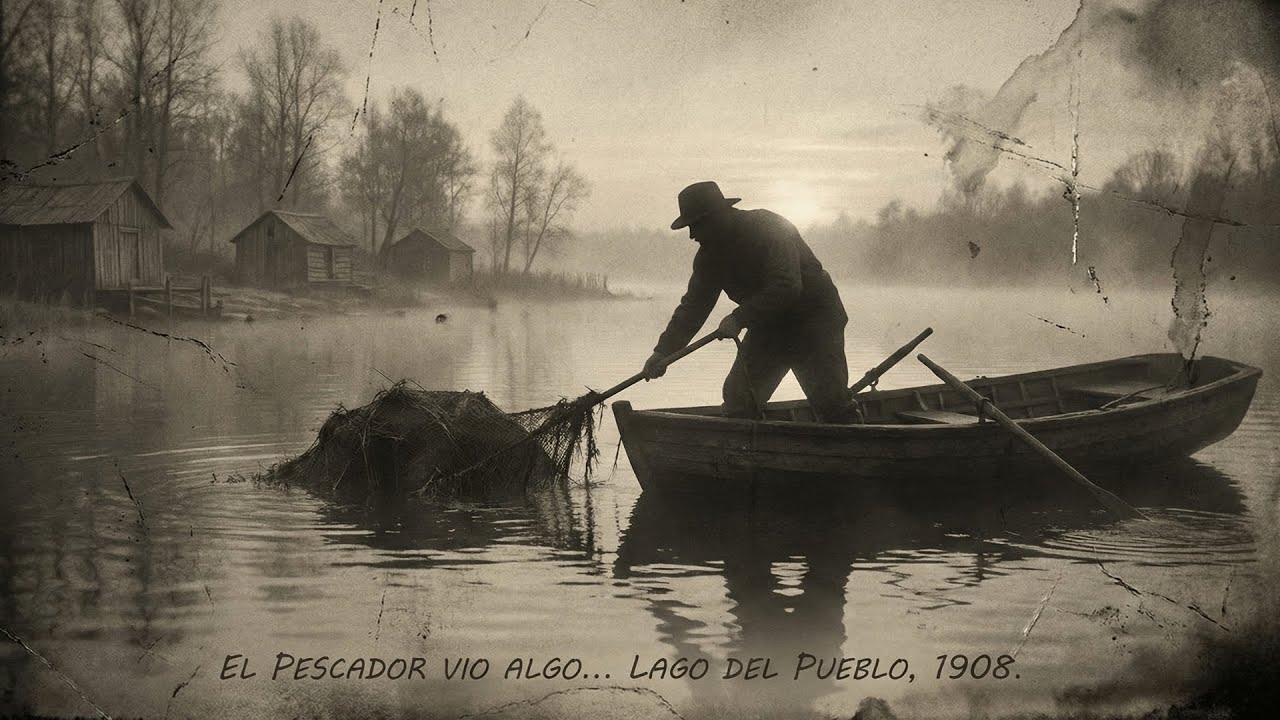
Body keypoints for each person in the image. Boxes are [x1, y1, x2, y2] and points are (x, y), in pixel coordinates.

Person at [641, 181, 858, 423]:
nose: (692, 235)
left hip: (815, 322)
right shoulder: (708, 257)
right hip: (768, 327)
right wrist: (663, 352)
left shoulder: (770, 228)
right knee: (738, 400)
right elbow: (693, 308)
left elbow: (786, 285)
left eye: (696, 225)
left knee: (832, 404)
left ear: (718, 216)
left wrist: (739, 318)